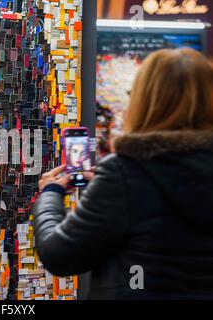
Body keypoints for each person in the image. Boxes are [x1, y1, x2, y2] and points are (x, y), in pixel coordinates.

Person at [34, 48, 213, 299]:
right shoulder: (124, 177)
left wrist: (51, 194)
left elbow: (60, 256)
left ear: (144, 100)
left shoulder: (126, 172)